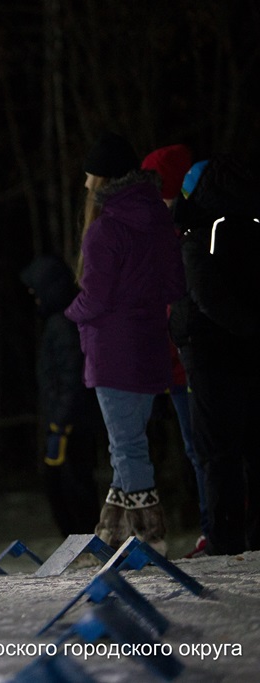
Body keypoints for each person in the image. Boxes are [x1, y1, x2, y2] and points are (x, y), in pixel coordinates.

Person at [65, 131, 185, 557]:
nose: (85, 183)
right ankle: (110, 534)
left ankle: (150, 537)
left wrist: (70, 312)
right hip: (150, 347)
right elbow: (174, 285)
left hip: (114, 353)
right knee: (128, 443)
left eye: (90, 175)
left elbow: (95, 298)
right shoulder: (159, 219)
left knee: (127, 446)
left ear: (104, 179)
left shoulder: (105, 230)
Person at [169, 154, 260, 556]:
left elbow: (206, 295)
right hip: (247, 353)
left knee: (217, 453)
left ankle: (225, 542)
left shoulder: (200, 236)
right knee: (253, 448)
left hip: (211, 355)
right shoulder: (252, 227)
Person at [141, 144, 209, 557]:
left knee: (206, 449)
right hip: (177, 364)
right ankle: (213, 525)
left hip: (194, 360)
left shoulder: (188, 233)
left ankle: (221, 526)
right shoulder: (164, 234)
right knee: (195, 449)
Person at [20, 254, 100, 537]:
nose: (35, 297)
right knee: (63, 485)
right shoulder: (60, 321)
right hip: (65, 422)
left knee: (71, 485)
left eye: (36, 290)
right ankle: (80, 540)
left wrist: (60, 422)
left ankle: (85, 540)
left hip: (69, 425)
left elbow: (71, 377)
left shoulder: (64, 324)